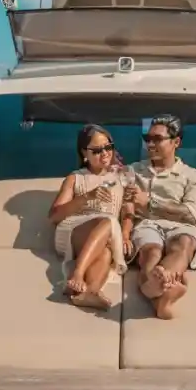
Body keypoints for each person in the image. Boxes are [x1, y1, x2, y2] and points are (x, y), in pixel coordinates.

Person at [124, 114, 196, 319]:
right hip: (147, 224)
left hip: (182, 226)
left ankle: (154, 287)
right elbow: (122, 201)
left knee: (184, 244)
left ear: (176, 142)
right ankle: (163, 295)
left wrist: (150, 202)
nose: (150, 144)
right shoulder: (133, 171)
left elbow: (191, 214)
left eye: (157, 139)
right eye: (148, 139)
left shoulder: (193, 176)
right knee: (151, 251)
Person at [47, 124, 134, 310]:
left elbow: (128, 210)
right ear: (84, 153)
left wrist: (126, 235)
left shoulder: (122, 176)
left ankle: (88, 292)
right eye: (96, 150)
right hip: (74, 230)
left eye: (108, 147)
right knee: (107, 221)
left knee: (106, 251)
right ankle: (77, 274)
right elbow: (54, 216)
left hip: (107, 234)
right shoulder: (75, 178)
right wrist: (87, 197)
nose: (104, 154)